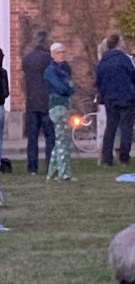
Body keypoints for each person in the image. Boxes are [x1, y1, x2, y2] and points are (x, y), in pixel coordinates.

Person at [95, 33, 135, 168]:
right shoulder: (124, 59)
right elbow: (134, 77)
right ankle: (124, 158)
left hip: (110, 99)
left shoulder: (103, 61)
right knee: (126, 128)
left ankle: (106, 159)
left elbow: (98, 81)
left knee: (111, 128)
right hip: (126, 97)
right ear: (118, 44)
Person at [22, 30, 55, 175]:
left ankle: (32, 168)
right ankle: (50, 166)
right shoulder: (48, 58)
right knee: (50, 136)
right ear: (46, 42)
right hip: (47, 102)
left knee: (32, 138)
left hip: (31, 102)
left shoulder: (27, 58)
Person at [44, 42, 75, 181]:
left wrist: (68, 88)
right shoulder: (50, 70)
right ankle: (64, 173)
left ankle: (52, 172)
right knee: (63, 141)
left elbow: (71, 86)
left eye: (63, 52)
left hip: (64, 105)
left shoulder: (64, 69)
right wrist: (68, 88)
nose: (61, 54)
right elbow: (62, 88)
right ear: (52, 54)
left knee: (61, 140)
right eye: (58, 52)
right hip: (56, 106)